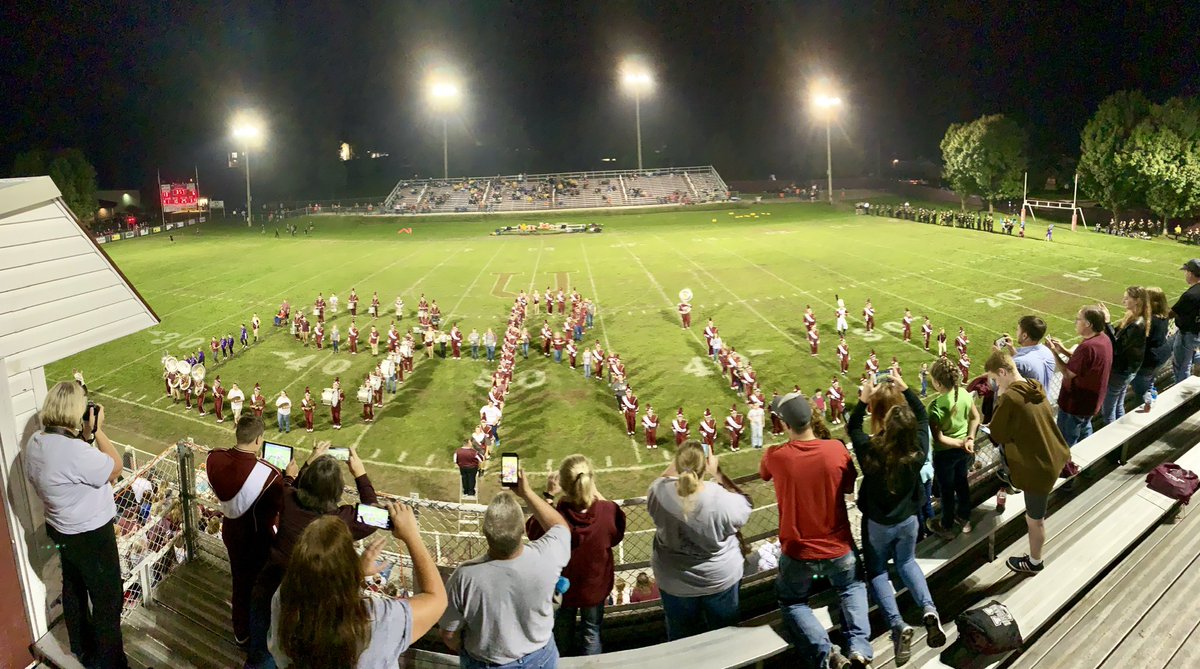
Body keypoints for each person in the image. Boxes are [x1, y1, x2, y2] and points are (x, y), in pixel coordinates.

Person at [760, 391, 872, 668]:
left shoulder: (777, 456)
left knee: (792, 603)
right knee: (852, 587)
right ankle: (859, 650)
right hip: (839, 546)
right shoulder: (836, 448)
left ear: (785, 425)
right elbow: (847, 485)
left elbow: (764, 473)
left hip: (798, 551)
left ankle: (829, 655)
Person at [246, 442, 380, 666]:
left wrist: (309, 461)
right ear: (336, 493)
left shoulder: (287, 497)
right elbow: (374, 513)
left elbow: (287, 483)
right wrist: (360, 473)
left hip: (268, 587)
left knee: (261, 652)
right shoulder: (341, 520)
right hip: (304, 602)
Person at [25, 382, 129, 668]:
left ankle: (81, 648)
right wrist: (97, 432)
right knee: (108, 600)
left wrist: (82, 437)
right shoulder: (73, 452)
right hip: (91, 536)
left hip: (61, 530)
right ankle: (112, 663)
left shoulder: (36, 442)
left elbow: (70, 464)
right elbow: (115, 466)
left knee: (73, 586)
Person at [268, 505, 446, 667]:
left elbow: (320, 591)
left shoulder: (283, 601)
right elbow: (436, 598)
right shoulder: (377, 619)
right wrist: (412, 536)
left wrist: (353, 575)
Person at [847, 370, 946, 663]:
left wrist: (862, 402)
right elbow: (923, 419)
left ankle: (898, 625)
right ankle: (929, 609)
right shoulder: (916, 449)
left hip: (878, 523)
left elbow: (853, 429)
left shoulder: (870, 449)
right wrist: (908, 390)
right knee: (906, 562)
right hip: (908, 520)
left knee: (877, 571)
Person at [440, 471, 571, 668]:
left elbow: (449, 635)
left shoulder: (464, 577)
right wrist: (526, 493)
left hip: (486, 662)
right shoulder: (548, 556)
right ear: (523, 530)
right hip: (540, 657)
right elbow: (560, 526)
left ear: (485, 532)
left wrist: (468, 652)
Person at [647, 442, 752, 640]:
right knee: (726, 637)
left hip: (674, 579)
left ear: (677, 464)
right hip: (718, 578)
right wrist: (718, 472)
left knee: (681, 639)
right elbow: (746, 503)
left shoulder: (658, 492)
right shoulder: (722, 498)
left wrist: (679, 461)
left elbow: (661, 480)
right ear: (706, 465)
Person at [526, 456, 626, 656]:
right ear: (591, 480)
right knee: (592, 632)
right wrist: (594, 491)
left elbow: (533, 531)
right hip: (594, 586)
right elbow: (616, 531)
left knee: (562, 632)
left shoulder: (555, 517)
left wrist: (547, 496)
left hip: (563, 588)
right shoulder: (607, 511)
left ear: (562, 484)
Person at [984, 351, 1071, 575]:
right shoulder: (1033, 385)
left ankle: (1034, 562)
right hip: (1054, 454)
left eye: (995, 378)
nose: (995, 383)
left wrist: (1001, 397)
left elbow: (997, 434)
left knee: (1035, 520)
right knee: (1034, 516)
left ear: (1002, 373)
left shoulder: (1010, 398)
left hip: (1038, 468)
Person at [206, 414, 286, 646]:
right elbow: (278, 508)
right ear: (259, 440)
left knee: (240, 583)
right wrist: (288, 477)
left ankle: (241, 631)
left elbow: (223, 460)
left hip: (231, 531)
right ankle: (262, 636)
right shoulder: (270, 474)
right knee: (262, 588)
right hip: (257, 539)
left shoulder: (214, 458)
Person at [928, 357, 980, 535]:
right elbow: (975, 417)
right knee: (962, 483)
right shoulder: (965, 394)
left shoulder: (935, 406)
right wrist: (970, 439)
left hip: (945, 455)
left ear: (938, 383)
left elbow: (939, 438)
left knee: (947, 491)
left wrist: (961, 442)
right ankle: (964, 517)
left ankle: (946, 525)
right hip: (963, 450)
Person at [1046, 306, 1113, 447]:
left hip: (1077, 403)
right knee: (1085, 430)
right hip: (1091, 401)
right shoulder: (1103, 338)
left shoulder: (1087, 347)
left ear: (1088, 324)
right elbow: (1083, 362)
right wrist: (1063, 349)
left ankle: (1068, 466)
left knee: (1066, 440)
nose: (1075, 322)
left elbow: (1068, 373)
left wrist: (1053, 352)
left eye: (1078, 319)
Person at [1101, 287, 1150, 424]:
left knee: (1109, 410)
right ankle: (1120, 435)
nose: (1123, 301)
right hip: (1127, 369)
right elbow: (1117, 335)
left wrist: (1107, 322)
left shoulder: (1137, 324)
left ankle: (1113, 441)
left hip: (1121, 370)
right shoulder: (1133, 317)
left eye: (1127, 298)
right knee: (1118, 404)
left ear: (1137, 301)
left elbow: (1118, 346)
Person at [1132, 287, 1172, 402]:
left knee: (1141, 391)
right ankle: (1151, 396)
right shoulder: (1163, 315)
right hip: (1161, 355)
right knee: (1149, 382)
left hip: (1149, 360)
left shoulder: (1148, 321)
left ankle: (1146, 408)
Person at [1002, 316, 1056, 393]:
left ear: (1024, 336)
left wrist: (996, 354)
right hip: (1045, 401)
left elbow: (997, 382)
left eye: (1018, 330)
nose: (1016, 332)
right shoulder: (1047, 351)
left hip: (1026, 403)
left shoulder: (1019, 362)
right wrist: (1012, 349)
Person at [1170, 259, 1200, 382]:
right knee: (1191, 356)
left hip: (1187, 333)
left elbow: (1172, 313)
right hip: (1196, 332)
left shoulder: (1191, 295)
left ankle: (1182, 393)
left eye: (1186, 271)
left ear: (1191, 273)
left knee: (1181, 366)